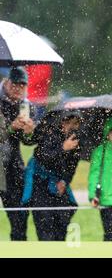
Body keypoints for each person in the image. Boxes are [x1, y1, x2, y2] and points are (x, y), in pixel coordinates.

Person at [21, 111, 82, 241]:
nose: (72, 126)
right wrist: (63, 148)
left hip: (60, 185)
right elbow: (43, 157)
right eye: (70, 122)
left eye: (76, 123)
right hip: (40, 183)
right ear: (63, 122)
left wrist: (64, 181)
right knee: (45, 223)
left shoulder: (76, 140)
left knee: (63, 219)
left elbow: (72, 166)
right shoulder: (49, 132)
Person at [0, 67, 36, 241]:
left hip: (13, 166)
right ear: (6, 82)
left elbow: (28, 142)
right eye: (15, 85)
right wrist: (10, 128)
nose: (18, 89)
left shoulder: (26, 105)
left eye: (22, 86)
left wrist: (29, 132)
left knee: (19, 217)